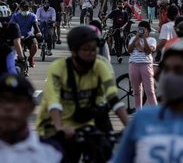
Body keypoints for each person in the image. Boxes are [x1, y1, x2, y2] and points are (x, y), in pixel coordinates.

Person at [36, 25, 129, 162]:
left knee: (103, 152)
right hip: (53, 127)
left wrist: (130, 127)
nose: (91, 53)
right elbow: (53, 101)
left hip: (84, 126)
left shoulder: (100, 66)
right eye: (85, 50)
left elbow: (113, 97)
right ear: (74, 51)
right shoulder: (58, 68)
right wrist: (60, 127)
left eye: (93, 49)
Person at [127, 21, 157, 110]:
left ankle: (155, 112)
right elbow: (129, 50)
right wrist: (136, 38)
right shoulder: (133, 38)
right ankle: (138, 111)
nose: (141, 31)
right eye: (139, 29)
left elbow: (149, 51)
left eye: (143, 29)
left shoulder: (152, 40)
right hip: (134, 64)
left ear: (147, 30)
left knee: (150, 91)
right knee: (136, 91)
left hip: (146, 65)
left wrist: (144, 39)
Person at [10, 2, 41, 68]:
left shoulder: (33, 16)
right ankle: (21, 60)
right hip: (18, 36)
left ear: (29, 8)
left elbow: (35, 25)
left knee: (35, 45)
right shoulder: (15, 16)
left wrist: (38, 32)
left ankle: (30, 58)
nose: (25, 10)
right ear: (20, 8)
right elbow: (11, 26)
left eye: (27, 8)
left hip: (28, 35)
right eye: (23, 8)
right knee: (19, 49)